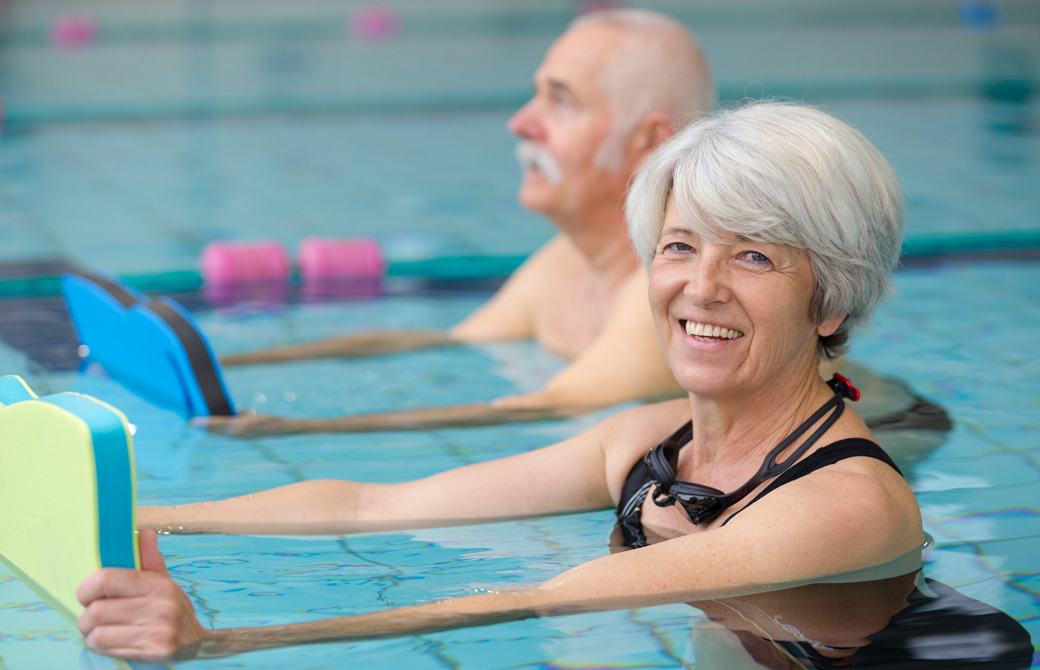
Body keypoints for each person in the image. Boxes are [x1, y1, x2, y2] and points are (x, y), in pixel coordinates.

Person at [78, 101, 933, 662]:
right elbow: (381, 507)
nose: (699, 287)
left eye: (752, 256)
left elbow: (533, 599)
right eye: (681, 245)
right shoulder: (645, 440)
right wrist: (125, 513)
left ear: (830, 300)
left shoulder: (845, 505)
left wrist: (218, 643)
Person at [203, 9, 712, 436]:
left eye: (561, 101)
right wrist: (223, 366)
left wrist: (295, 429)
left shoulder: (663, 298)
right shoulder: (567, 261)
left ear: (649, 144)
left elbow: (551, 405)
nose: (520, 122)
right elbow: (448, 343)